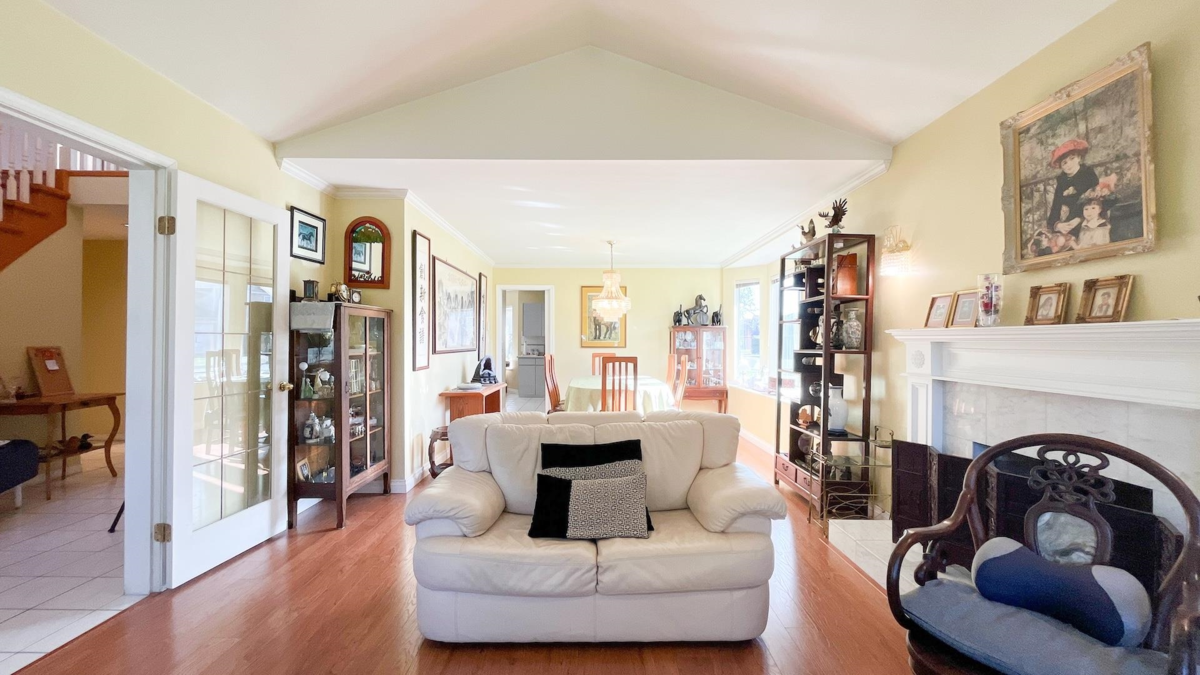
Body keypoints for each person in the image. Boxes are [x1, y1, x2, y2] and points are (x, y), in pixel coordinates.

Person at [1045, 139, 1099, 232]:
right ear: (1061, 166)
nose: (1069, 164)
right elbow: (1056, 207)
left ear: (1079, 158)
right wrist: (1058, 225)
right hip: (1068, 223)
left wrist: (1079, 219)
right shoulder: (1062, 182)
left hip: (1089, 219)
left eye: (1072, 158)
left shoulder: (1088, 174)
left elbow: (1097, 202)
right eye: (1064, 163)